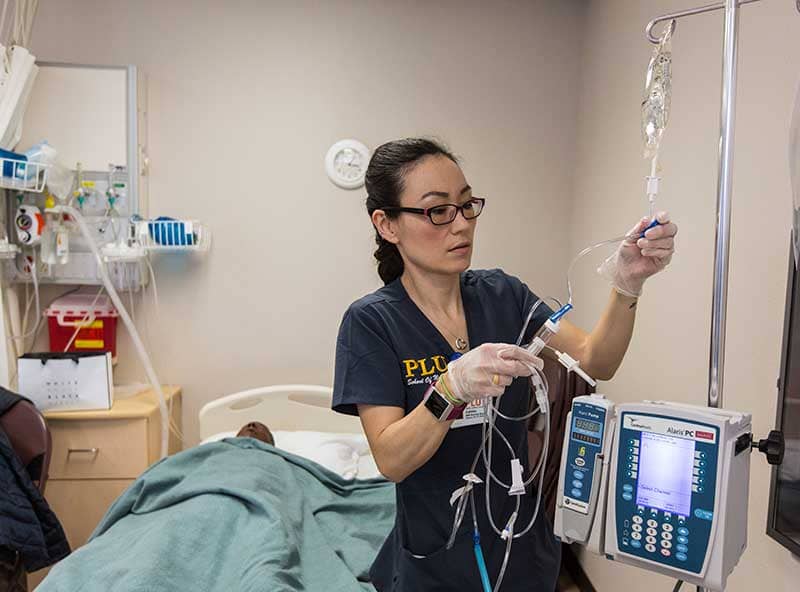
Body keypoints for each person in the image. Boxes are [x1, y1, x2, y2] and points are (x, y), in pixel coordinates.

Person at [331, 138, 677, 591]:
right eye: (438, 211)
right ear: (387, 224)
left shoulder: (503, 296)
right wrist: (449, 389)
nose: (461, 225)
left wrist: (628, 284)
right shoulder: (372, 323)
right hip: (436, 560)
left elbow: (596, 359)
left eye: (467, 204)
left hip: (521, 547)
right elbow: (392, 459)